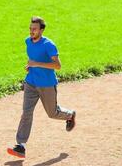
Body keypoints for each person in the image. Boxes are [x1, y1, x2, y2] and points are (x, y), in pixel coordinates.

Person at [7, 16, 76, 158]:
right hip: (31, 82)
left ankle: (69, 115)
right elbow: (32, 59)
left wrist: (36, 64)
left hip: (47, 85)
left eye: (34, 29)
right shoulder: (28, 41)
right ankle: (21, 145)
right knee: (26, 112)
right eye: (30, 28)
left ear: (41, 30)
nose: (31, 31)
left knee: (52, 113)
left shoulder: (49, 45)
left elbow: (57, 66)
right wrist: (29, 66)